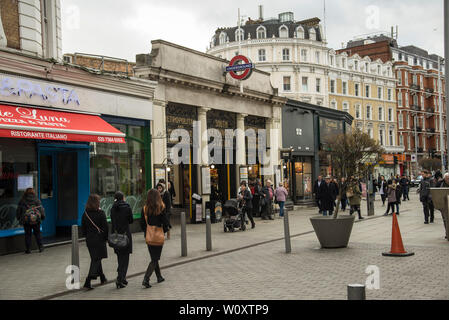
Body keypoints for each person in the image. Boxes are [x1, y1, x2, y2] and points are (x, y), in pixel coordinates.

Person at [141, 189, 170, 288]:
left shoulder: (145, 208)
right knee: (155, 258)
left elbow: (142, 224)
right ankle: (146, 278)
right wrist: (165, 230)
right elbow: (165, 221)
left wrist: (147, 232)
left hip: (149, 237)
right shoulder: (161, 207)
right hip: (158, 237)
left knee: (154, 257)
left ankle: (159, 276)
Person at [82, 194, 109, 290]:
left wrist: (88, 236)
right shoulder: (101, 213)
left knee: (96, 258)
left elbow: (83, 229)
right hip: (99, 239)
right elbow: (105, 227)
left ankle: (102, 277)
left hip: (90, 240)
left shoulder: (85, 214)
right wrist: (106, 238)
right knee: (96, 259)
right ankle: (87, 281)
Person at [110, 191, 133, 289]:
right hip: (125, 235)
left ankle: (122, 278)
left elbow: (112, 220)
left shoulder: (113, 208)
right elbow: (131, 220)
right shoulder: (127, 207)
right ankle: (120, 279)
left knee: (120, 258)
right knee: (125, 258)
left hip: (116, 235)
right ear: (123, 197)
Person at [15, 188, 45, 254]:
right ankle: (40, 247)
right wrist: (42, 216)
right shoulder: (36, 199)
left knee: (28, 235)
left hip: (26, 220)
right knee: (37, 234)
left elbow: (18, 210)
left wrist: (18, 217)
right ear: (33, 192)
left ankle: (28, 249)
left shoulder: (22, 200)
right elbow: (41, 209)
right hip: (36, 220)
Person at [437, 173, 449, 239]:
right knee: (445, 219)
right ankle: (447, 232)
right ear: (444, 178)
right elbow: (435, 192)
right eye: (447, 178)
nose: (448, 180)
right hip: (443, 205)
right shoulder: (440, 183)